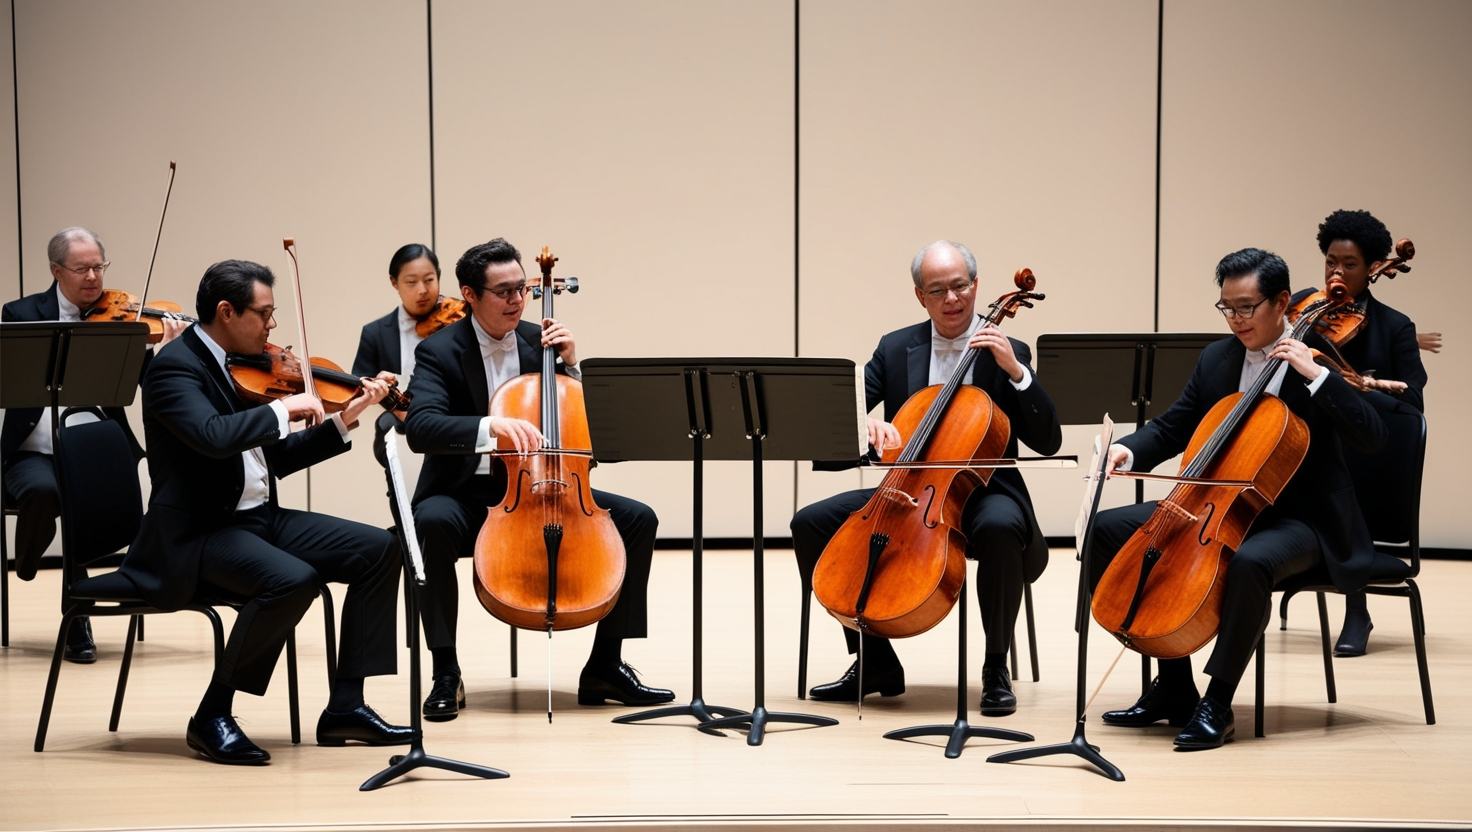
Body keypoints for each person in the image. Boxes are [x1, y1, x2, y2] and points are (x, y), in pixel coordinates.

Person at [118, 259, 413, 764]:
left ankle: (346, 707)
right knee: (292, 580)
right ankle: (213, 714)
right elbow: (213, 438)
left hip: (256, 520)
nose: (273, 328)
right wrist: (282, 410)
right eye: (265, 314)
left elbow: (271, 459)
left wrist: (347, 416)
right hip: (199, 533)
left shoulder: (240, 365)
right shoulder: (173, 369)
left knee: (380, 549)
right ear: (227, 312)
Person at [1091, 247, 1386, 750]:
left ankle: (1218, 703)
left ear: (1282, 302)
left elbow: (1373, 435)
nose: (1236, 319)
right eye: (1227, 307)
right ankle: (1174, 686)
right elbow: (1172, 426)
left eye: (1247, 307)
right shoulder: (1218, 358)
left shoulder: (1318, 355)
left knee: (1250, 561)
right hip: (1217, 505)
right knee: (1109, 530)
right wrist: (1126, 449)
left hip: (1301, 518)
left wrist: (1316, 376)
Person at [402, 237, 673, 721]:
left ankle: (605, 666)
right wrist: (490, 427)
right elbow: (421, 428)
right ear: (469, 294)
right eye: (503, 292)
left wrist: (571, 366)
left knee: (637, 520)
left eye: (521, 289)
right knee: (430, 523)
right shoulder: (438, 352)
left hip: (543, 483)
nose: (516, 301)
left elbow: (585, 429)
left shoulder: (540, 341)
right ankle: (446, 669)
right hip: (467, 491)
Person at [790, 240, 1062, 717]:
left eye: (960, 286)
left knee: (1000, 528)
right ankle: (874, 660)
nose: (952, 299)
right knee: (810, 522)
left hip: (985, 490)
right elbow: (842, 418)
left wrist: (1017, 372)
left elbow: (1047, 439)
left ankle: (996, 665)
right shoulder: (896, 348)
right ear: (921, 296)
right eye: (938, 290)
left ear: (976, 286)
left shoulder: (1009, 349)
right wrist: (864, 427)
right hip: (909, 490)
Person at [1, 227, 187, 662]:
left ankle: (82, 608)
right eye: (81, 268)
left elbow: (149, 384)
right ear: (56, 270)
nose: (92, 277)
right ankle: (29, 561)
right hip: (35, 450)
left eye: (98, 267)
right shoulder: (22, 313)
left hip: (99, 448)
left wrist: (167, 354)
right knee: (46, 491)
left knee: (93, 505)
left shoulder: (123, 319)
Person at [1292, 209, 1428, 657]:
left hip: (1367, 454)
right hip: (1307, 445)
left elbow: (1410, 404)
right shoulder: (1307, 309)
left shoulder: (1395, 327)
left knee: (1341, 466)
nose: (1336, 273)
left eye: (1349, 264)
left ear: (1373, 269)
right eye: (1330, 262)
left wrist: (1359, 386)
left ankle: (1356, 609)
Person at [352, 243, 444, 386]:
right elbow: (359, 388)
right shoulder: (375, 334)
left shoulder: (460, 320)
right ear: (394, 282)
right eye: (411, 282)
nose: (422, 290)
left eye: (429, 280)